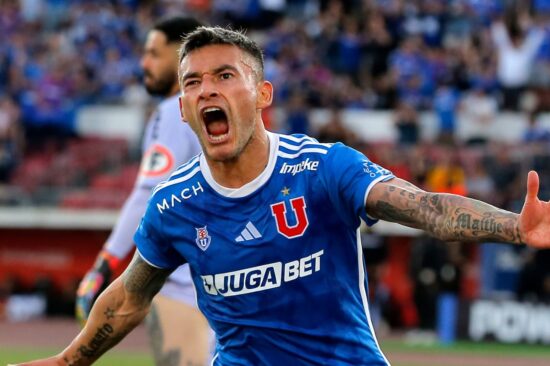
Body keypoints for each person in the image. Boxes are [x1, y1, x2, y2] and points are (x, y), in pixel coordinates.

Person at [14, 26, 550, 366]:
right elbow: (130, 298)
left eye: (225, 75)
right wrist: (70, 360)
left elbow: (425, 208)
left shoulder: (323, 168)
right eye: (193, 83)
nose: (206, 91)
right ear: (183, 109)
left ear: (263, 94)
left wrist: (513, 227)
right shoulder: (173, 206)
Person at [74, 16, 211, 366]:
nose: (143, 63)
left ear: (181, 56)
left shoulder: (173, 110)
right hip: (222, 274)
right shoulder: (213, 110)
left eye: (153, 53)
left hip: (183, 278)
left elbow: (149, 191)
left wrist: (105, 263)